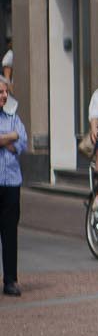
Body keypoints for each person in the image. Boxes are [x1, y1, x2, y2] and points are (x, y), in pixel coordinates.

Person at [0, 76, 22, 296]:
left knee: (9, 233)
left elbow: (22, 141)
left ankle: (10, 280)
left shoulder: (13, 116)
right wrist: (10, 138)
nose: (4, 96)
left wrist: (9, 138)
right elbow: (13, 139)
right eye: (0, 92)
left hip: (12, 182)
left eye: (6, 92)